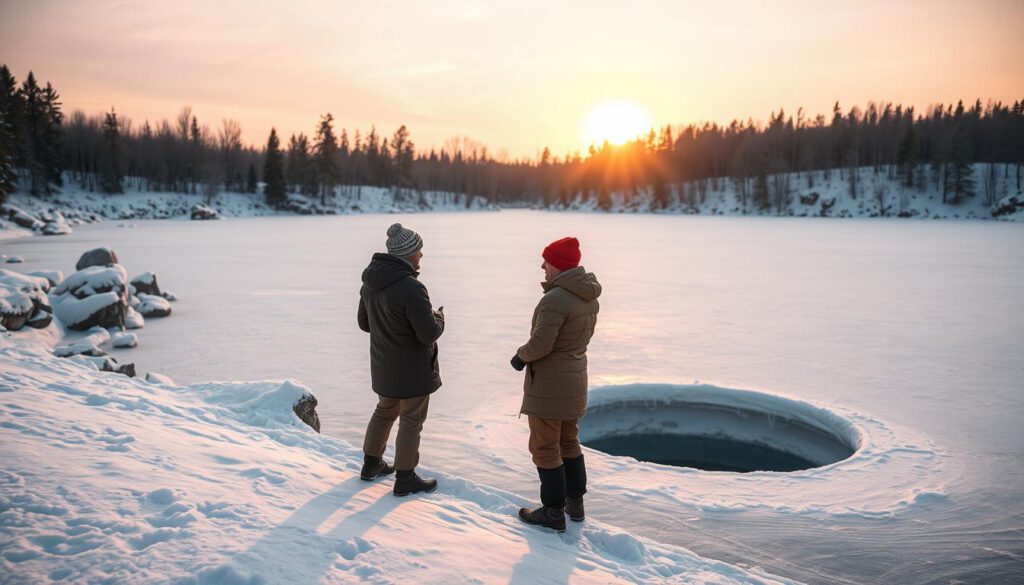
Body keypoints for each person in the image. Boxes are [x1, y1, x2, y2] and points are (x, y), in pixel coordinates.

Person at [511, 236, 601, 532]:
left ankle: (552, 511)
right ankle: (575, 504)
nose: (542, 266)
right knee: (568, 441)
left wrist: (520, 356)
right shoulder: (587, 296)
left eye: (546, 261)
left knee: (545, 447)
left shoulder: (555, 299)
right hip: (575, 379)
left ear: (558, 265)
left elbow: (541, 343)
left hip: (550, 385)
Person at [358, 223, 444, 496]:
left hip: (383, 365)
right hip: (412, 370)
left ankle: (371, 464)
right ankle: (405, 478)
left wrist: (388, 328)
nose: (421, 255)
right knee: (411, 419)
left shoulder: (370, 283)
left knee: (384, 410)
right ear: (407, 254)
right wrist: (439, 318)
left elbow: (364, 323)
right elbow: (428, 333)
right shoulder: (412, 287)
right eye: (418, 250)